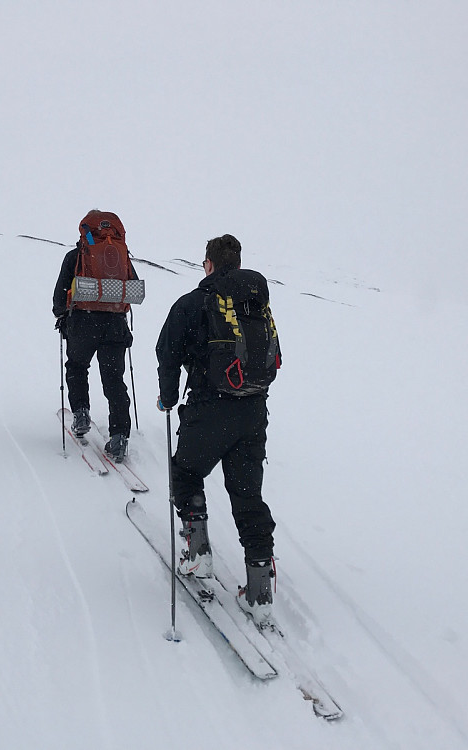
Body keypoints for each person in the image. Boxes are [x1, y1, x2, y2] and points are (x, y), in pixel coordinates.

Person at [155, 234, 279, 622]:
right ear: (238, 263)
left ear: (207, 264)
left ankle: (198, 553)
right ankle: (259, 592)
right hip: (253, 411)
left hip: (209, 409)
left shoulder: (193, 303)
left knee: (186, 473)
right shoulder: (255, 303)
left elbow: (167, 353)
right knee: (247, 495)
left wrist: (168, 397)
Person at [52, 210, 138, 462]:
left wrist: (62, 316)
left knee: (77, 367)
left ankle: (80, 413)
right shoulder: (120, 255)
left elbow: (60, 294)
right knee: (114, 379)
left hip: (83, 321)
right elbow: (132, 285)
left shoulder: (76, 256)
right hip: (115, 323)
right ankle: (120, 436)